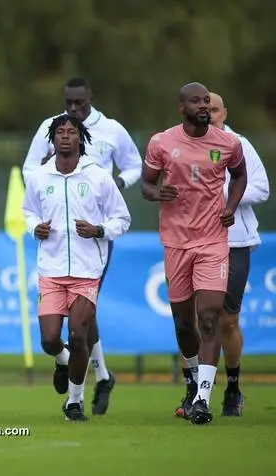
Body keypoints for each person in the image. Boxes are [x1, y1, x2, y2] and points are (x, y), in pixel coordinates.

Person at [22, 76, 142, 414]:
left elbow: (135, 167)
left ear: (90, 97)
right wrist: (36, 225)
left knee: (80, 327)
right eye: (68, 103)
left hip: (92, 247)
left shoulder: (111, 133)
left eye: (79, 104)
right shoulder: (50, 130)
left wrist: (117, 185)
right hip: (53, 258)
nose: (72, 110)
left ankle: (76, 397)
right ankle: (100, 375)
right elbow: (30, 172)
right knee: (56, 337)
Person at [141, 82, 247, 425]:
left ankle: (203, 397)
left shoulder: (228, 143)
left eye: (207, 101)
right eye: (196, 101)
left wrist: (230, 205)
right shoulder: (162, 142)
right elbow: (145, 184)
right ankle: (191, 380)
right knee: (184, 324)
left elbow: (240, 175)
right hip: (175, 242)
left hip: (213, 241)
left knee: (210, 317)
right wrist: (158, 194)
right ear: (181, 107)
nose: (203, 105)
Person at [173, 92, 270, 418]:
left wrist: (222, 196)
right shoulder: (181, 143)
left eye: (214, 109)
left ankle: (233, 386)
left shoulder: (237, 143)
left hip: (234, 241)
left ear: (223, 112)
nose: (208, 113)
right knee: (199, 320)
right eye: (203, 108)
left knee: (227, 320)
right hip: (194, 241)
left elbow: (261, 188)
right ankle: (198, 393)